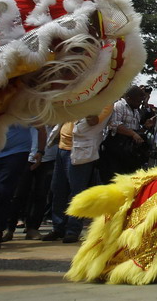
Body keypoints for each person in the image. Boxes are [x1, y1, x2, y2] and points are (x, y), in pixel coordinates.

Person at [43, 104, 113, 243]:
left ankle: (72, 230)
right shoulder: (76, 98)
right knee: (58, 189)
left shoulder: (106, 103)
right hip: (62, 149)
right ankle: (58, 228)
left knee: (76, 192)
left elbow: (93, 121)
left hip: (80, 151)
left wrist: (86, 103)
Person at [0, 125, 45, 251]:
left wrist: (40, 151)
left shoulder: (23, 107)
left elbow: (41, 128)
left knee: (3, 191)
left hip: (16, 152)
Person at [3, 126, 55, 241]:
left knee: (41, 194)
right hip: (24, 154)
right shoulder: (28, 109)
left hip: (49, 155)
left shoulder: (58, 109)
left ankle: (33, 228)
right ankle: (8, 228)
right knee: (18, 193)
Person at [102, 86, 149, 177]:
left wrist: (145, 127)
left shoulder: (135, 111)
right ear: (128, 98)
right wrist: (133, 134)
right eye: (137, 101)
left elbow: (135, 130)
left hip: (129, 151)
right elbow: (114, 124)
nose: (139, 104)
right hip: (116, 150)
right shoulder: (119, 106)